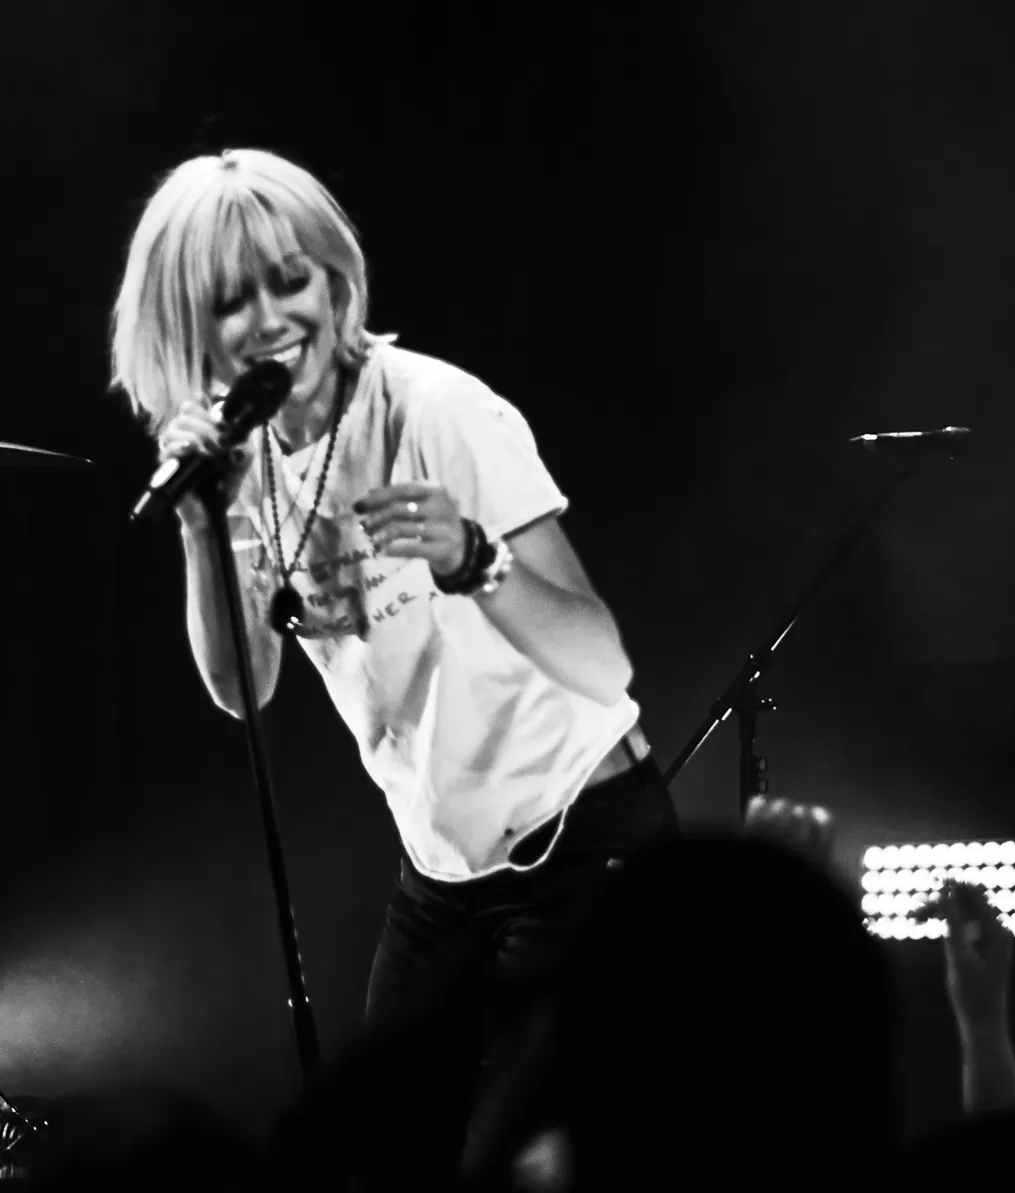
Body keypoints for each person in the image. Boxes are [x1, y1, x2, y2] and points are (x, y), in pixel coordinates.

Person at [109, 147, 675, 1187]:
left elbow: (603, 664)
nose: (272, 318)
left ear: (334, 281)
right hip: (443, 874)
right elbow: (246, 689)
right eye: (233, 300)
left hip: (580, 847)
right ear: (193, 327)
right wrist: (201, 526)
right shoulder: (241, 461)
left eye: (291, 280)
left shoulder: (438, 411)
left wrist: (474, 558)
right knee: (374, 1153)